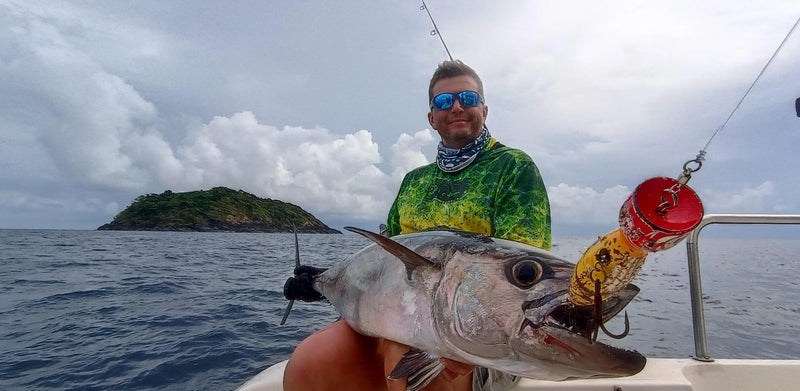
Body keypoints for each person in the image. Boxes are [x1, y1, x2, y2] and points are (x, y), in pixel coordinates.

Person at [283, 60, 551, 391]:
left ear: (484, 109)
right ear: (431, 118)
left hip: (485, 340)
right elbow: (385, 263)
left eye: (468, 98)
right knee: (309, 364)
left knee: (406, 362)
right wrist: (325, 282)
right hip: (397, 319)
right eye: (444, 101)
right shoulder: (414, 182)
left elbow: (524, 281)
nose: (456, 107)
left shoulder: (514, 167)